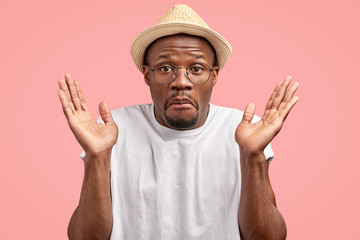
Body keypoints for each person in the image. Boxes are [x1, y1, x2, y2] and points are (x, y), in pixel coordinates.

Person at [58, 4, 299, 240]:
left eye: (196, 68)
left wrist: (253, 156)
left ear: (214, 76)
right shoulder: (113, 130)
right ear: (146, 75)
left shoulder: (244, 130)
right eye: (165, 68)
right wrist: (97, 156)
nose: (181, 82)